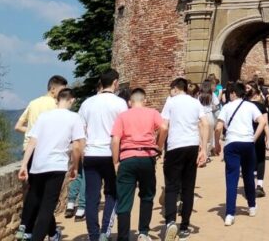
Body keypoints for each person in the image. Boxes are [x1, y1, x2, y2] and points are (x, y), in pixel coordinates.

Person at [17, 88, 86, 241]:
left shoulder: (44, 117)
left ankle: (35, 233)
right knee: (47, 208)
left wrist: (24, 165)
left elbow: (32, 142)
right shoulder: (74, 117)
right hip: (56, 166)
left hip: (38, 165)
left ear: (57, 100)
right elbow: (77, 147)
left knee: (38, 201)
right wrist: (75, 167)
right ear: (72, 100)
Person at [111, 88, 167, 241]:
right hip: (147, 157)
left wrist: (115, 162)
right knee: (147, 195)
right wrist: (158, 147)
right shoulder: (152, 113)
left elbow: (115, 140)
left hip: (127, 158)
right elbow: (164, 127)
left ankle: (123, 237)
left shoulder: (122, 116)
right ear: (145, 100)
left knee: (124, 200)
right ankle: (143, 232)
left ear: (130, 102)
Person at [78, 69, 127, 241]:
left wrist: (82, 156)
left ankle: (93, 235)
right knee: (112, 193)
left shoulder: (87, 103)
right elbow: (123, 132)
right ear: (115, 82)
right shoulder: (120, 104)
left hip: (90, 154)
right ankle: (105, 232)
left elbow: (81, 133)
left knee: (91, 197)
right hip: (111, 154)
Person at [161, 77, 209, 240]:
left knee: (171, 186)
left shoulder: (171, 102)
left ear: (175, 88)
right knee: (188, 187)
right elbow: (205, 124)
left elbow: (164, 126)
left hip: (175, 146)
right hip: (192, 146)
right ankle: (185, 226)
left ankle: (170, 222)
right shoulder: (195, 102)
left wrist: (158, 146)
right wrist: (204, 149)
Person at [214, 81, 267, 226]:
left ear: (233, 93)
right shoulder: (250, 106)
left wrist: (217, 143)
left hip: (231, 143)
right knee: (248, 175)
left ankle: (230, 214)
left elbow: (218, 128)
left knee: (232, 178)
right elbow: (262, 122)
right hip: (247, 143)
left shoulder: (227, 107)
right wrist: (253, 138)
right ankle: (251, 206)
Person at [15, 75, 68, 152]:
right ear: (53, 89)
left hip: (28, 148)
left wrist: (33, 131)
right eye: (62, 90)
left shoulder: (32, 103)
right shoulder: (57, 105)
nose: (64, 93)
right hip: (46, 148)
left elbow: (18, 127)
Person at [246, 82, 268, 197]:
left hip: (246, 135)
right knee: (260, 159)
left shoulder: (243, 105)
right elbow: (265, 123)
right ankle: (259, 185)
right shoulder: (261, 106)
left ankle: (250, 185)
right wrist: (268, 136)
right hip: (259, 135)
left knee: (248, 160)